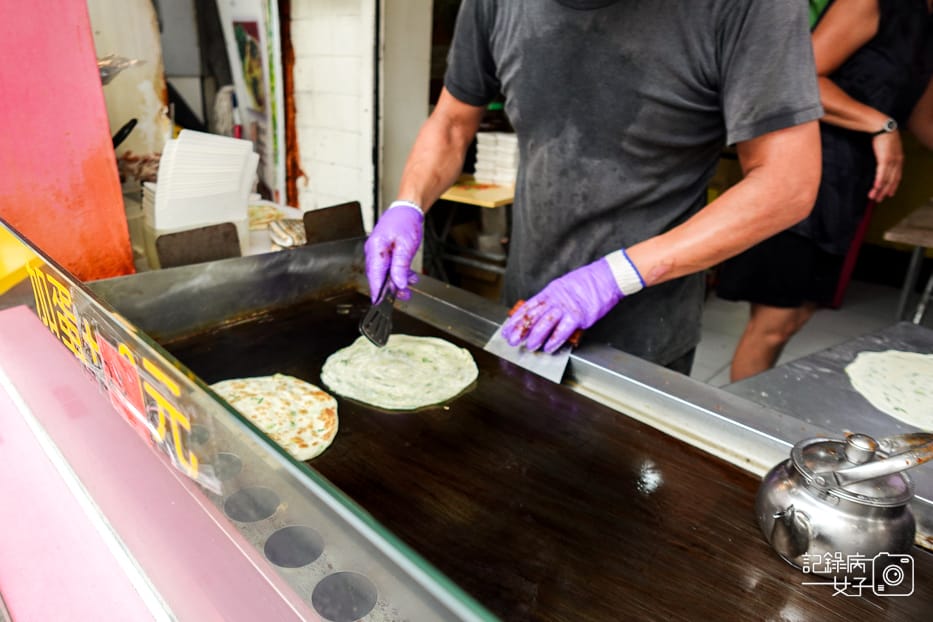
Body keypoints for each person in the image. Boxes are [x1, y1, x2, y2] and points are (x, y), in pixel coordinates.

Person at [365, 0, 822, 375]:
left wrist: (612, 277)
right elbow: (451, 122)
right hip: (525, 315)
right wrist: (408, 204)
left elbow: (786, 183)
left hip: (645, 335)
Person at [717, 0, 933, 382]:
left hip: (848, 187)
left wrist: (888, 127)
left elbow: (921, 115)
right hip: (806, 168)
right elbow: (801, 78)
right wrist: (880, 125)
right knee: (773, 323)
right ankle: (728, 426)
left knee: (796, 317)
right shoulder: (871, 3)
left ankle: (747, 406)